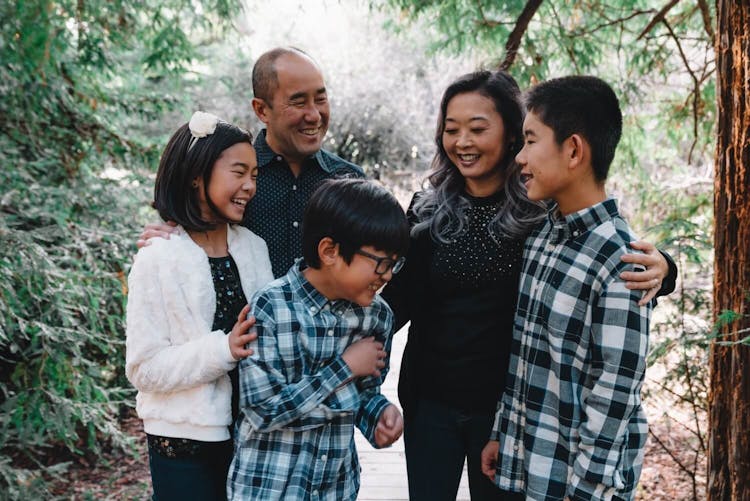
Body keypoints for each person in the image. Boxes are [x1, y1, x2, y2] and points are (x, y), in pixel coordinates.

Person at [381, 71, 676, 501]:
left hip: (505, 410)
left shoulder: (541, 214)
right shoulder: (428, 209)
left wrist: (665, 267)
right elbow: (398, 297)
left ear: (512, 134)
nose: (462, 141)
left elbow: (602, 249)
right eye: (451, 129)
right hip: (432, 399)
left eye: (478, 128)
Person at [480, 76, 653, 500]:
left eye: (530, 140)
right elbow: (526, 355)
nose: (519, 157)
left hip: (578, 486)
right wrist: (504, 431)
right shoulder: (542, 236)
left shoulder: (623, 260)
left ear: (573, 150)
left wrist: (587, 489)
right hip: (530, 465)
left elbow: (615, 391)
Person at [227, 178, 409, 500]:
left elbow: (364, 394)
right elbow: (263, 411)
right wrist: (344, 368)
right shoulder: (272, 307)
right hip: (269, 489)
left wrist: (378, 416)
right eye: (380, 263)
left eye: (394, 264)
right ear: (329, 251)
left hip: (335, 488)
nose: (388, 275)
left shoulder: (377, 316)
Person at [125, 111, 273, 500]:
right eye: (238, 172)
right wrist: (222, 350)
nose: (249, 186)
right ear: (196, 174)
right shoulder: (158, 258)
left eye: (255, 176)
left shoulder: (255, 250)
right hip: (184, 445)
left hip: (254, 438)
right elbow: (144, 368)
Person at [138, 47, 364, 278]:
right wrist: (172, 236)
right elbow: (196, 232)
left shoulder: (349, 180)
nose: (314, 115)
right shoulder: (231, 181)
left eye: (321, 99)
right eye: (298, 102)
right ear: (262, 109)